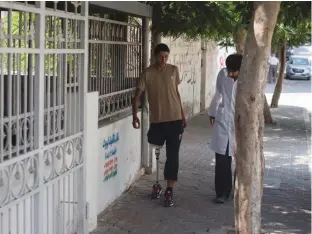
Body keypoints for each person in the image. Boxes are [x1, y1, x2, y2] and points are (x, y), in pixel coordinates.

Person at [132, 43, 187, 207]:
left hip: (175, 119)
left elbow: (176, 93)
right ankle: (157, 185)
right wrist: (135, 115)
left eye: (166, 56)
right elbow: (137, 96)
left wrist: (183, 116)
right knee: (156, 149)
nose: (164, 60)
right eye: (161, 56)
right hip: (157, 120)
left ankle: (170, 188)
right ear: (155, 56)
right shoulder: (147, 73)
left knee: (173, 156)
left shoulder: (173, 70)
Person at [208, 54, 242, 204]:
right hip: (222, 122)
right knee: (222, 159)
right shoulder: (222, 75)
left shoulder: (247, 78)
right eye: (228, 70)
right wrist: (212, 112)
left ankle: (240, 192)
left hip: (240, 124)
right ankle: (221, 193)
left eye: (233, 71)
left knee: (241, 160)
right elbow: (218, 94)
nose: (230, 73)